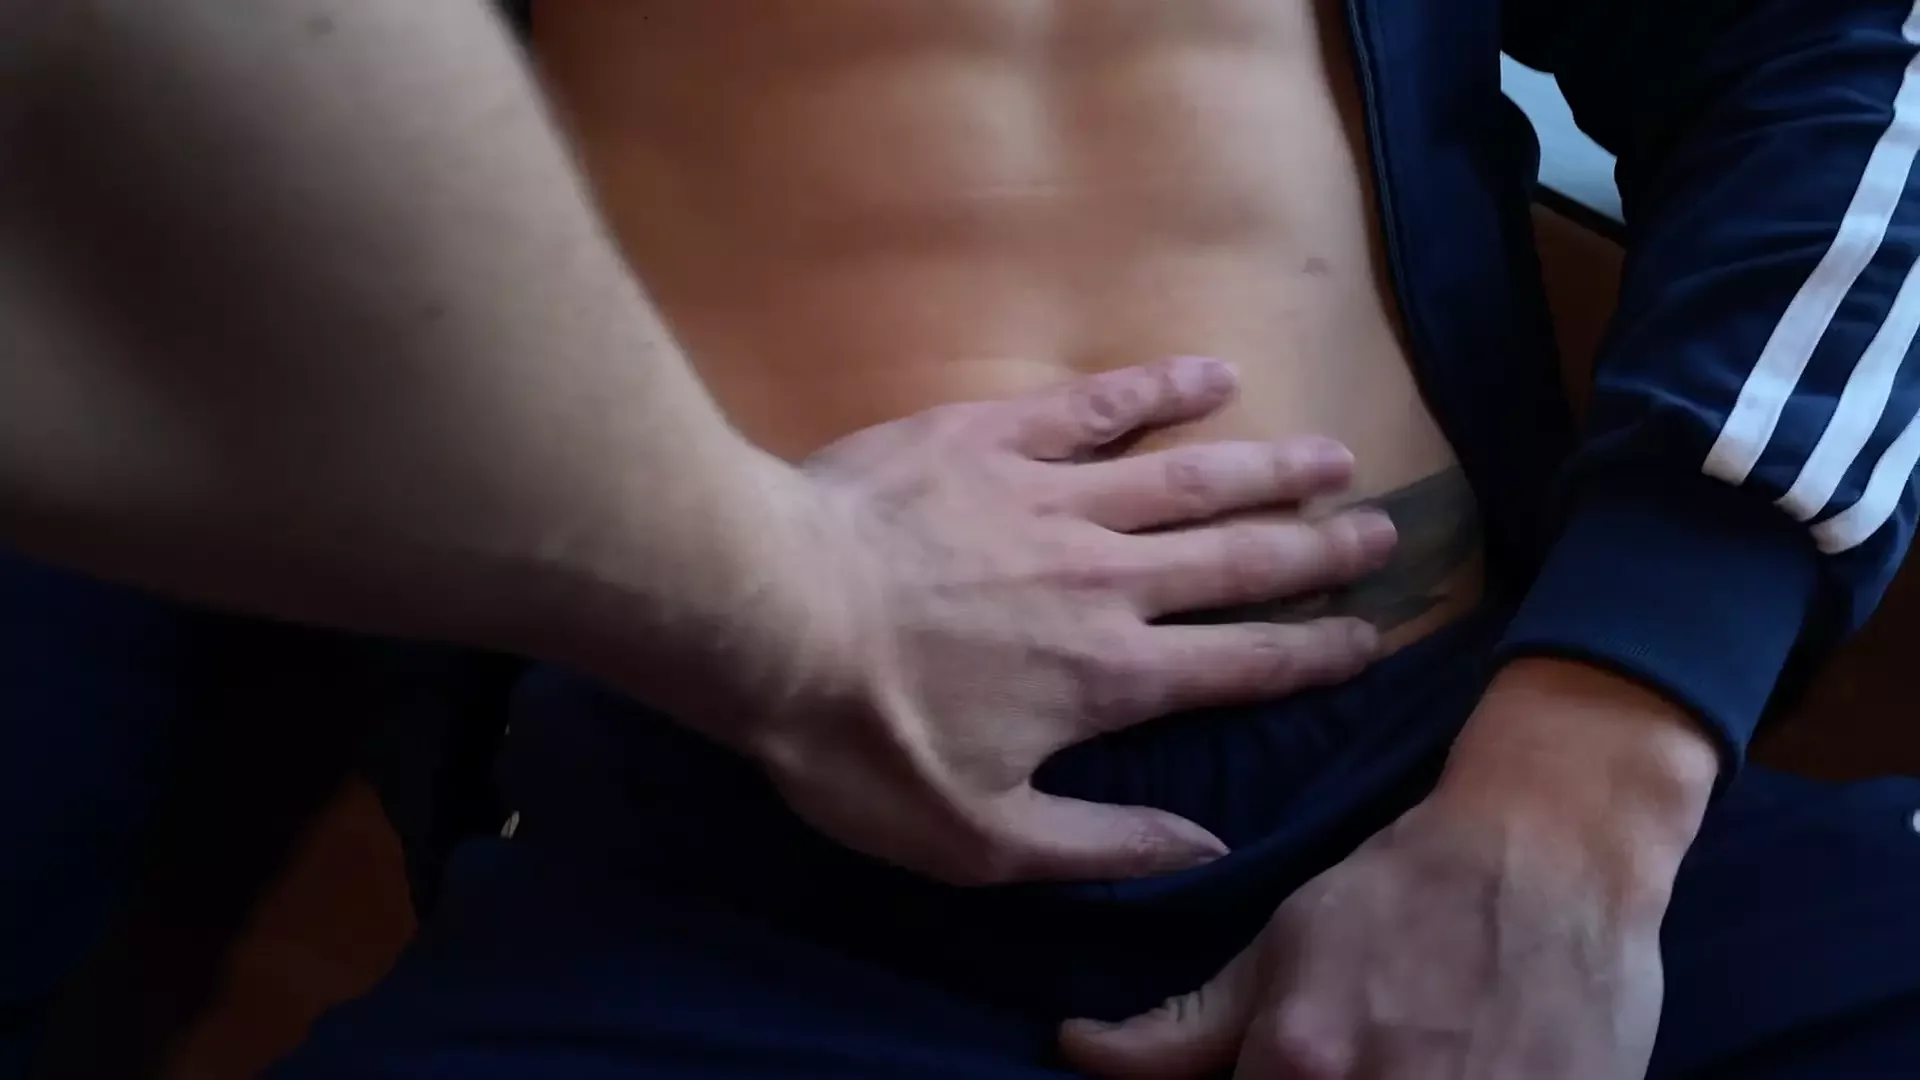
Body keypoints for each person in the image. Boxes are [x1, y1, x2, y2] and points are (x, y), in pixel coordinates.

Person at [9, 1, 1920, 1078]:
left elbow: (1833, 61)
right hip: (714, 847)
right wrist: (781, 598)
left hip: (1461, 776)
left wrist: (1573, 798)